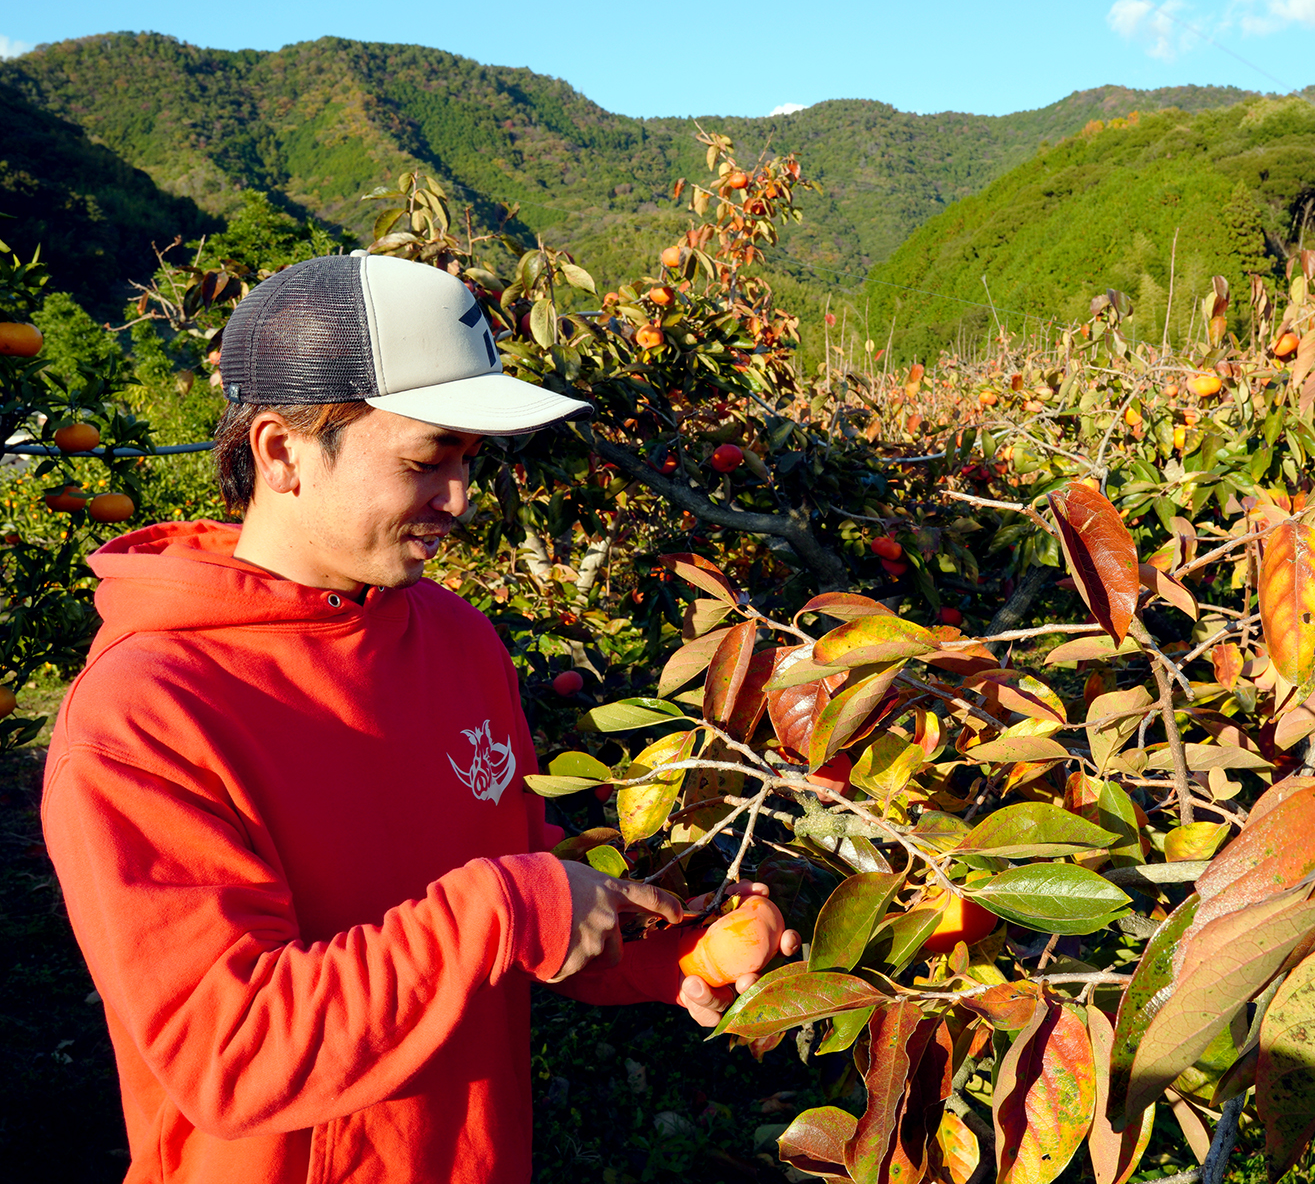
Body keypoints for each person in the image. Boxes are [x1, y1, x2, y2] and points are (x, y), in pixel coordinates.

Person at [42, 254, 795, 1184]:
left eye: (470, 460)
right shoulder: (149, 712)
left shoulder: (458, 640)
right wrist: (512, 906)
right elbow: (230, 1052)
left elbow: (526, 885)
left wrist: (666, 944)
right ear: (281, 452)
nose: (460, 499)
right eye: (426, 459)